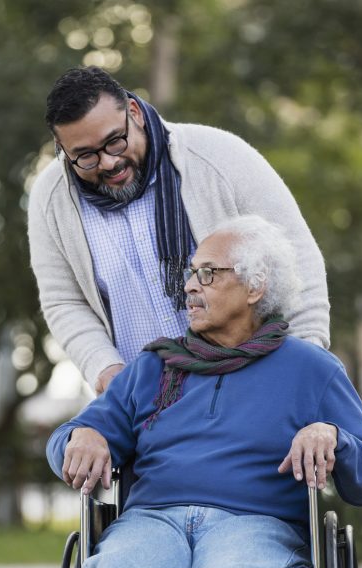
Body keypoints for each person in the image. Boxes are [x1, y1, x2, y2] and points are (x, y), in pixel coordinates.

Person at [46, 216, 362, 568]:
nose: (190, 286)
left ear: (254, 287)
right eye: (191, 272)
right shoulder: (154, 367)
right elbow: (63, 441)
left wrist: (334, 437)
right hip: (151, 524)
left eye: (208, 273)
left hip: (256, 526)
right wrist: (80, 436)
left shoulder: (311, 369)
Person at [28, 66, 330, 394]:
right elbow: (64, 301)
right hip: (148, 410)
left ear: (134, 112)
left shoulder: (221, 157)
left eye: (115, 141)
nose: (107, 162)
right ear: (61, 147)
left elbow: (297, 261)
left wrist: (306, 367)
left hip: (253, 391)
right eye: (85, 156)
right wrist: (105, 368)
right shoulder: (51, 199)